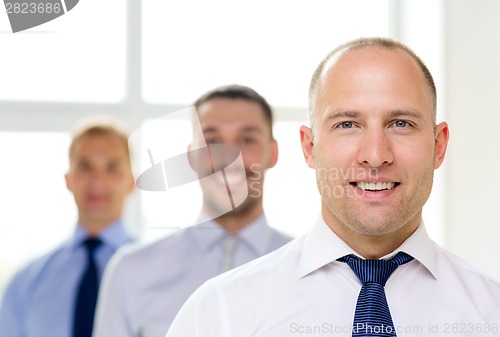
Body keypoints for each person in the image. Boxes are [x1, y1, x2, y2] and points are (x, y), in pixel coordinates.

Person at [165, 38, 500, 337]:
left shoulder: (491, 313)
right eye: (347, 124)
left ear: (438, 146)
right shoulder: (219, 313)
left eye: (401, 124)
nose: (375, 155)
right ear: (310, 147)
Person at [93, 85, 292, 337]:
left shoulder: (315, 272)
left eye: (247, 139)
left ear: (272, 153)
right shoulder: (131, 271)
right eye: (212, 141)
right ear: (191, 156)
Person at [0, 117, 136, 337]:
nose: (97, 181)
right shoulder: (24, 284)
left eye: (112, 168)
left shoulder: (159, 277)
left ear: (131, 182)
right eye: (85, 167)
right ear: (68, 179)